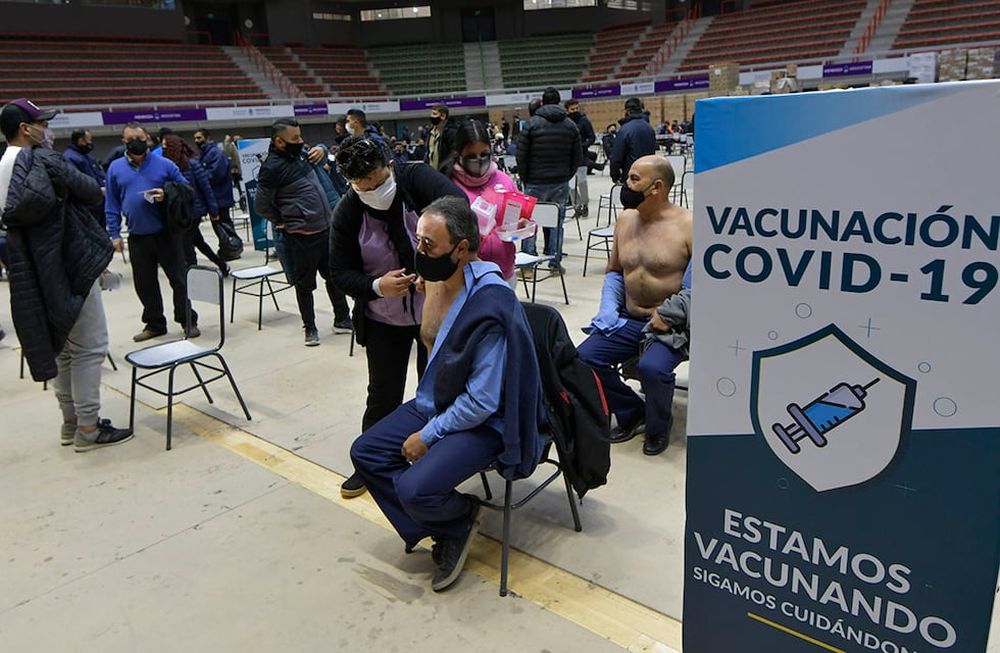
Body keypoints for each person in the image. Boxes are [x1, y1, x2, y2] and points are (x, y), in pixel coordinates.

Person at [350, 196, 542, 592]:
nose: (419, 251)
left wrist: (429, 435)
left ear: (461, 249)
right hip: (437, 399)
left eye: (428, 245)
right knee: (366, 452)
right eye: (418, 240)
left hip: (485, 420)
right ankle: (444, 520)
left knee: (412, 487)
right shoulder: (436, 280)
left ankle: (457, 519)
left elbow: (482, 400)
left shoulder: (490, 299)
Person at [330, 136, 467, 498]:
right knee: (382, 393)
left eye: (378, 180)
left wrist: (434, 268)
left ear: (390, 164)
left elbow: (460, 211)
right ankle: (370, 462)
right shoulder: (347, 212)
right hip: (383, 318)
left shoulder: (416, 179)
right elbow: (338, 271)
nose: (373, 190)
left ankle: (436, 456)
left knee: (437, 388)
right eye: (363, 186)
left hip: (434, 310)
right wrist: (376, 285)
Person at [1, 98, 132, 451]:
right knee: (91, 346)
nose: (46, 129)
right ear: (25, 129)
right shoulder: (42, 160)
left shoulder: (2, 165)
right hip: (66, 264)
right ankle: (89, 428)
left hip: (30, 270)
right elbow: (90, 193)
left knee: (61, 346)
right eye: (41, 123)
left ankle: (70, 421)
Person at [577, 156, 692, 456]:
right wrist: (607, 308)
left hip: (671, 325)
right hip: (628, 318)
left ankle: (658, 426)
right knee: (583, 359)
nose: (625, 185)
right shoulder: (625, 219)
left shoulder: (689, 225)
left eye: (633, 179)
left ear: (657, 187)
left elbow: (701, 286)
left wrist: (668, 315)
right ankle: (632, 412)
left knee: (651, 368)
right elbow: (615, 270)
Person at [254, 118, 352, 346]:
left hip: (325, 230)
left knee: (334, 278)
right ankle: (310, 328)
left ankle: (342, 319)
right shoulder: (271, 168)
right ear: (279, 142)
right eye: (295, 138)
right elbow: (261, 205)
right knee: (305, 285)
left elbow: (322, 152)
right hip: (301, 236)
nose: (300, 141)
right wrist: (281, 220)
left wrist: (321, 148)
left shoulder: (299, 155)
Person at [105, 122, 199, 342]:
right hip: (138, 236)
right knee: (145, 284)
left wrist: (167, 193)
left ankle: (187, 320)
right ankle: (155, 323)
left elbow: (186, 189)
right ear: (124, 142)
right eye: (130, 140)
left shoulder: (164, 164)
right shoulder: (115, 168)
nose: (136, 143)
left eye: (140, 138)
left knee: (179, 279)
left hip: (166, 234)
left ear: (147, 139)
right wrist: (115, 233)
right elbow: (111, 203)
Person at [442, 120, 521, 287]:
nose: (479, 160)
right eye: (471, 156)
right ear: (459, 154)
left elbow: (520, 216)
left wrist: (524, 226)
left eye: (484, 154)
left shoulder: (504, 180)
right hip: (465, 278)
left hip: (503, 273)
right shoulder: (447, 186)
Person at [516, 87, 581, 275]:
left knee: (529, 223)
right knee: (557, 223)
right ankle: (555, 264)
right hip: (560, 181)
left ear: (542, 103)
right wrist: (566, 175)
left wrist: (526, 178)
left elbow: (522, 155)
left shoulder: (531, 124)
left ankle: (528, 266)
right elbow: (577, 156)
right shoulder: (570, 125)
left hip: (535, 181)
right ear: (560, 102)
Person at [160, 135, 227, 274]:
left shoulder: (192, 164)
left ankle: (193, 274)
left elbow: (206, 188)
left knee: (186, 245)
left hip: (194, 212)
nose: (163, 150)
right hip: (179, 213)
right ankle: (221, 265)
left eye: (166, 147)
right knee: (198, 241)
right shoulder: (166, 167)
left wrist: (213, 211)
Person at [193, 128, 239, 248]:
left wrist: (200, 178)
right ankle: (226, 246)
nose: (196, 140)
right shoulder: (203, 154)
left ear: (207, 138)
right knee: (217, 225)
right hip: (213, 198)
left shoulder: (215, 153)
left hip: (220, 196)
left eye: (199, 138)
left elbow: (215, 174)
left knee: (224, 224)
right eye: (195, 138)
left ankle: (233, 247)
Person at [609, 98, 656, 185]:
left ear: (628, 111)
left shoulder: (625, 130)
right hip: (648, 176)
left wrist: (615, 176)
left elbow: (616, 157)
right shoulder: (650, 128)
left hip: (631, 177)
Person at [63, 129, 106, 224]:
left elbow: (99, 174)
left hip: (98, 203)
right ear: (81, 141)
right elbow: (76, 182)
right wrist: (98, 190)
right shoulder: (69, 157)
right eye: (89, 140)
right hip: (87, 206)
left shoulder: (87, 157)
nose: (90, 143)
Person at [565, 99, 597, 218]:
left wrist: (583, 146)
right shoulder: (566, 121)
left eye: (577, 108)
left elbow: (591, 137)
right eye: (572, 109)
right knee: (571, 185)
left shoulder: (584, 120)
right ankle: (576, 207)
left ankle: (585, 205)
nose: (575, 111)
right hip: (569, 158)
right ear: (567, 110)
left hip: (582, 156)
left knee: (582, 182)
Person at [426, 104, 457, 175]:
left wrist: (444, 169)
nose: (431, 116)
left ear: (443, 116)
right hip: (432, 174)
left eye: (434, 114)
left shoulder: (452, 132)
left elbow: (454, 154)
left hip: (446, 174)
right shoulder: (430, 132)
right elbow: (429, 153)